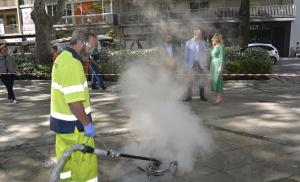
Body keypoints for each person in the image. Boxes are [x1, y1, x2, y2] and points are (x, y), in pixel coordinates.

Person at [50, 29, 98, 181]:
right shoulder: (72, 62)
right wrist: (87, 124)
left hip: (63, 128)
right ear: (80, 43)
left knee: (66, 166)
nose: (90, 52)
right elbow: (74, 102)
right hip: (77, 128)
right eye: (90, 47)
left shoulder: (62, 57)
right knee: (86, 167)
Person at [184, 27, 208, 101]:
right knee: (190, 80)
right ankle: (189, 96)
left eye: (201, 34)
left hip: (200, 64)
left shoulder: (202, 43)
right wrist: (186, 66)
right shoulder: (188, 43)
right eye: (199, 34)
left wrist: (205, 65)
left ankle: (202, 96)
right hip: (191, 64)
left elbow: (204, 54)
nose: (200, 35)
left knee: (201, 80)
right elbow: (186, 56)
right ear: (195, 34)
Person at [210, 33, 225, 105]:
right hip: (213, 65)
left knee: (218, 81)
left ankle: (219, 98)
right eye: (214, 37)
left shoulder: (221, 46)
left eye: (216, 38)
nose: (215, 39)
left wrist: (220, 67)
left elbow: (222, 57)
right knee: (214, 81)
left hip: (218, 64)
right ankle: (216, 97)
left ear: (219, 38)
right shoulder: (215, 46)